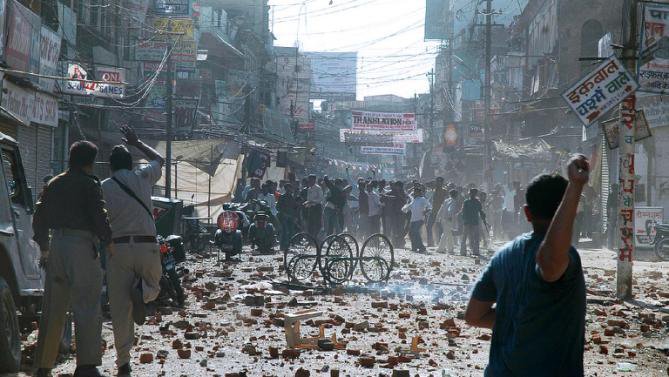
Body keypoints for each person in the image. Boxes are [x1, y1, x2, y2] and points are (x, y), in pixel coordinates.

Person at [464, 155, 589, 376]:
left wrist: (521, 318)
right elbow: (549, 261)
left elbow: (474, 315)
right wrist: (575, 187)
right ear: (573, 212)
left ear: (527, 213)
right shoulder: (564, 257)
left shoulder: (503, 255)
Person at [33, 141, 113, 377]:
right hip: (81, 247)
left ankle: (44, 366)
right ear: (90, 162)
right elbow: (99, 217)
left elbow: (39, 217)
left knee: (53, 308)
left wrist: (45, 248)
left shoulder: (54, 183)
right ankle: (86, 366)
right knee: (87, 304)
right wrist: (108, 242)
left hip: (57, 245)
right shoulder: (89, 184)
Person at [100, 126, 164, 377]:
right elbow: (160, 160)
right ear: (131, 163)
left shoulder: (104, 186)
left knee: (119, 310)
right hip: (147, 243)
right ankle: (143, 292)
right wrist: (137, 142)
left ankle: (123, 363)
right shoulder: (142, 176)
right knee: (155, 286)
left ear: (111, 167)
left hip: (119, 249)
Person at [402, 186, 431, 253]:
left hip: (420, 219)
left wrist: (425, 211)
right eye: (414, 192)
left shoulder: (422, 199)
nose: (415, 193)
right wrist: (406, 203)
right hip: (413, 220)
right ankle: (414, 247)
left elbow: (429, 207)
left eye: (416, 192)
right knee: (411, 233)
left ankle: (422, 247)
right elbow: (404, 209)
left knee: (415, 232)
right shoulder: (413, 201)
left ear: (419, 193)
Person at [459, 188, 486, 256]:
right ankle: (473, 251)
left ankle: (464, 251)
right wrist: (483, 216)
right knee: (471, 237)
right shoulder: (470, 202)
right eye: (471, 193)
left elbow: (480, 211)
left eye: (473, 193)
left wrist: (483, 216)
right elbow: (481, 211)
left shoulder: (469, 202)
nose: (472, 194)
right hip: (471, 221)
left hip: (471, 221)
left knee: (469, 237)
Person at [437, 189, 461, 254]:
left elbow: (441, 209)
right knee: (446, 234)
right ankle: (441, 249)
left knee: (449, 234)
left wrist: (438, 217)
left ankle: (450, 249)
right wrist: (450, 216)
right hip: (449, 219)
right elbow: (450, 209)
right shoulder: (453, 201)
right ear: (455, 195)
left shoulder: (446, 200)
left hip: (444, 219)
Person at [277, 183, 300, 251]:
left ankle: (287, 246)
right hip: (284, 217)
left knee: (291, 231)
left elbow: (294, 208)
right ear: (286, 189)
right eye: (288, 188)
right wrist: (283, 213)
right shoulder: (282, 197)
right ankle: (282, 246)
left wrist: (295, 216)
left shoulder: (292, 197)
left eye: (290, 188)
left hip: (291, 217)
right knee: (285, 231)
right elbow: (278, 207)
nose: (289, 190)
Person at [427, 177, 447, 247]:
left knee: (440, 228)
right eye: (437, 182)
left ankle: (440, 243)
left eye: (440, 182)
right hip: (433, 211)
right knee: (428, 226)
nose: (438, 183)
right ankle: (430, 243)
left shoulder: (444, 191)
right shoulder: (433, 190)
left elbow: (445, 202)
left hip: (440, 212)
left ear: (442, 183)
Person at [303, 174, 324, 238]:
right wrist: (306, 203)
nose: (310, 181)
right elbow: (308, 199)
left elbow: (320, 198)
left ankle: (316, 237)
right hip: (310, 208)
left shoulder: (318, 188)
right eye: (309, 180)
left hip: (317, 207)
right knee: (310, 224)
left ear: (314, 180)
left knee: (317, 224)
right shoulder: (309, 189)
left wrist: (312, 201)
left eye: (311, 180)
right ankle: (311, 238)